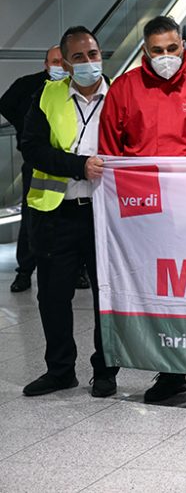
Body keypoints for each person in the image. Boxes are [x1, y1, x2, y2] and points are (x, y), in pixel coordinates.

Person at [98, 15, 186, 404]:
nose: (165, 57)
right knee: (160, 294)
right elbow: (111, 152)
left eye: (171, 49)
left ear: (183, 45)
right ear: (145, 50)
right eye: (156, 51)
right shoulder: (124, 89)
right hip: (146, 215)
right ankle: (171, 372)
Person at [19, 27, 119, 397]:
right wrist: (78, 166)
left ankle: (106, 369)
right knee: (53, 295)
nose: (89, 63)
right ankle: (60, 369)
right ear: (64, 62)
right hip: (56, 212)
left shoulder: (119, 96)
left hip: (105, 214)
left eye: (93, 54)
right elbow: (32, 148)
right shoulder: (47, 95)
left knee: (105, 294)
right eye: (79, 57)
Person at [1, 46, 75, 293]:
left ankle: (79, 272)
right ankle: (24, 271)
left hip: (72, 163)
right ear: (46, 64)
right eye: (54, 62)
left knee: (75, 219)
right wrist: (26, 126)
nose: (58, 67)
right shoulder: (30, 85)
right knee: (32, 218)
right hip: (38, 165)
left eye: (61, 62)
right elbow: (6, 105)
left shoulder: (74, 87)